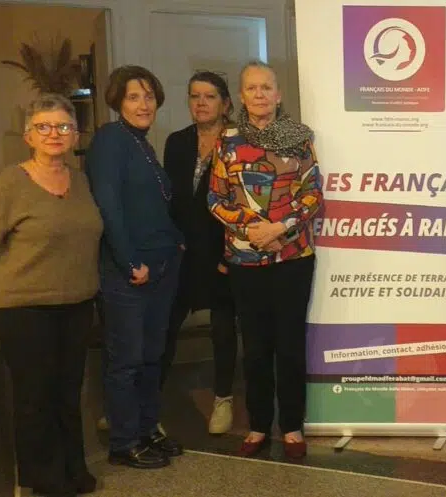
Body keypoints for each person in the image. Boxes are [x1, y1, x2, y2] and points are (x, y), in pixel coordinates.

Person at [0, 94, 103, 496]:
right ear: (28, 136)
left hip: (76, 303)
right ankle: (43, 477)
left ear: (75, 135)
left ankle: (72, 468)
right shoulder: (7, 185)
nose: (53, 134)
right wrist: (7, 283)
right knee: (35, 395)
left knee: (68, 392)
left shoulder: (80, 181)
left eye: (63, 126)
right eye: (43, 126)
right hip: (22, 307)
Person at [208, 60, 322, 459]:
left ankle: (291, 427)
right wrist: (254, 231)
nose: (259, 94)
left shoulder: (299, 138)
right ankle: (258, 426)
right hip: (245, 260)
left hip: (294, 257)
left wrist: (279, 230)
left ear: (278, 94)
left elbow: (313, 194)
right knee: (255, 348)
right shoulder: (227, 141)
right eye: (252, 88)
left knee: (290, 345)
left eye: (266, 87)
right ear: (241, 96)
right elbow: (215, 198)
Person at [87, 65, 185, 469]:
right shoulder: (111, 139)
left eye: (148, 96)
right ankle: (124, 442)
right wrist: (130, 261)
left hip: (162, 264)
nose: (144, 104)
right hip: (130, 271)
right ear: (118, 102)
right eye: (133, 97)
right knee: (126, 361)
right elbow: (108, 206)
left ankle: (147, 430)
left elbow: (154, 203)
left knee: (151, 357)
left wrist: (176, 239)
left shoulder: (141, 143)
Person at [162, 71, 239, 435]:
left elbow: (245, 202)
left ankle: (223, 400)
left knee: (223, 330)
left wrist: (230, 253)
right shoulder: (177, 142)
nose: (201, 103)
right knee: (164, 327)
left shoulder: (240, 142)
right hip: (181, 251)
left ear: (226, 103)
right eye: (195, 96)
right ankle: (139, 402)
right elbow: (171, 199)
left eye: (209, 96)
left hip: (224, 253)